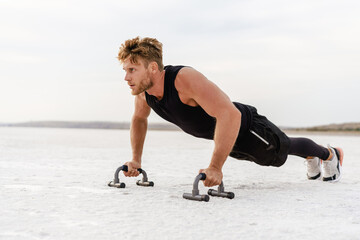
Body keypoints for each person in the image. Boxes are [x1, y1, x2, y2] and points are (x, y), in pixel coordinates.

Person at [117, 36, 344, 187]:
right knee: (269, 158)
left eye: (132, 70)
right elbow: (139, 118)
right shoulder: (143, 92)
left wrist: (215, 167)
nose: (126, 77)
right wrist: (136, 160)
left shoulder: (183, 79)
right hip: (222, 135)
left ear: (153, 68)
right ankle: (312, 155)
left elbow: (229, 114)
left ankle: (329, 154)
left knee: (278, 151)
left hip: (244, 124)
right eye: (125, 70)